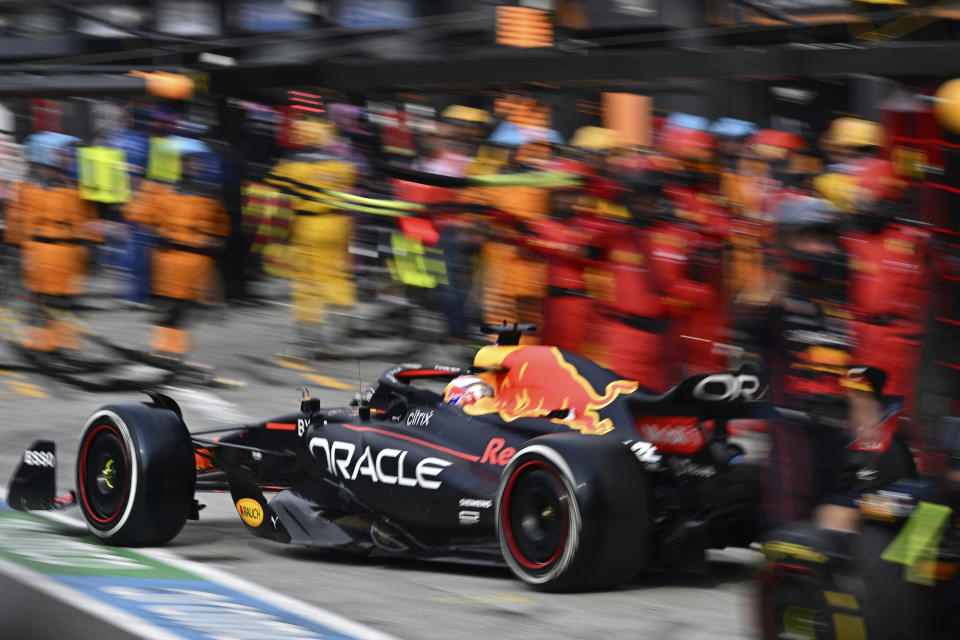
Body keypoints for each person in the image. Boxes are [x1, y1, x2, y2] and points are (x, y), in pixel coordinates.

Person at [738, 194, 855, 527]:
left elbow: (856, 371)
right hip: (792, 435)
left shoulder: (838, 303)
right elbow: (751, 320)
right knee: (791, 534)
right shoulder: (770, 299)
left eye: (825, 237)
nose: (820, 248)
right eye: (810, 236)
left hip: (837, 434)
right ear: (787, 239)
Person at [126, 150, 228, 358]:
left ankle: (175, 356)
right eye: (190, 162)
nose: (195, 167)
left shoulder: (209, 194)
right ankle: (163, 352)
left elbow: (221, 226)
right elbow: (137, 215)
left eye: (197, 163)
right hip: (169, 258)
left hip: (195, 261)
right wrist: (142, 190)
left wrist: (214, 240)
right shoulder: (162, 191)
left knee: (185, 311)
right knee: (168, 309)